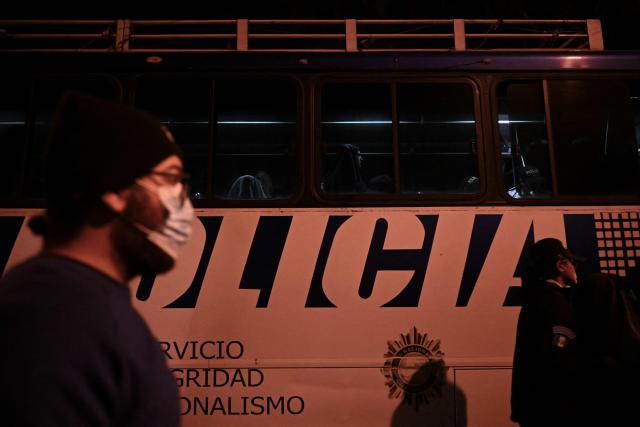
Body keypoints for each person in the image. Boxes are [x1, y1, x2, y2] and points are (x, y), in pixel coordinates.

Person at [0, 92, 193, 426]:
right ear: (115, 191)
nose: (184, 204)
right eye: (171, 179)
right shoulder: (55, 320)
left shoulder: (75, 303)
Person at [510, 237, 584, 426]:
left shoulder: (536, 298)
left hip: (536, 407)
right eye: (573, 263)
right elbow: (561, 357)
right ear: (561, 265)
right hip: (554, 409)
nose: (576, 268)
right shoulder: (555, 303)